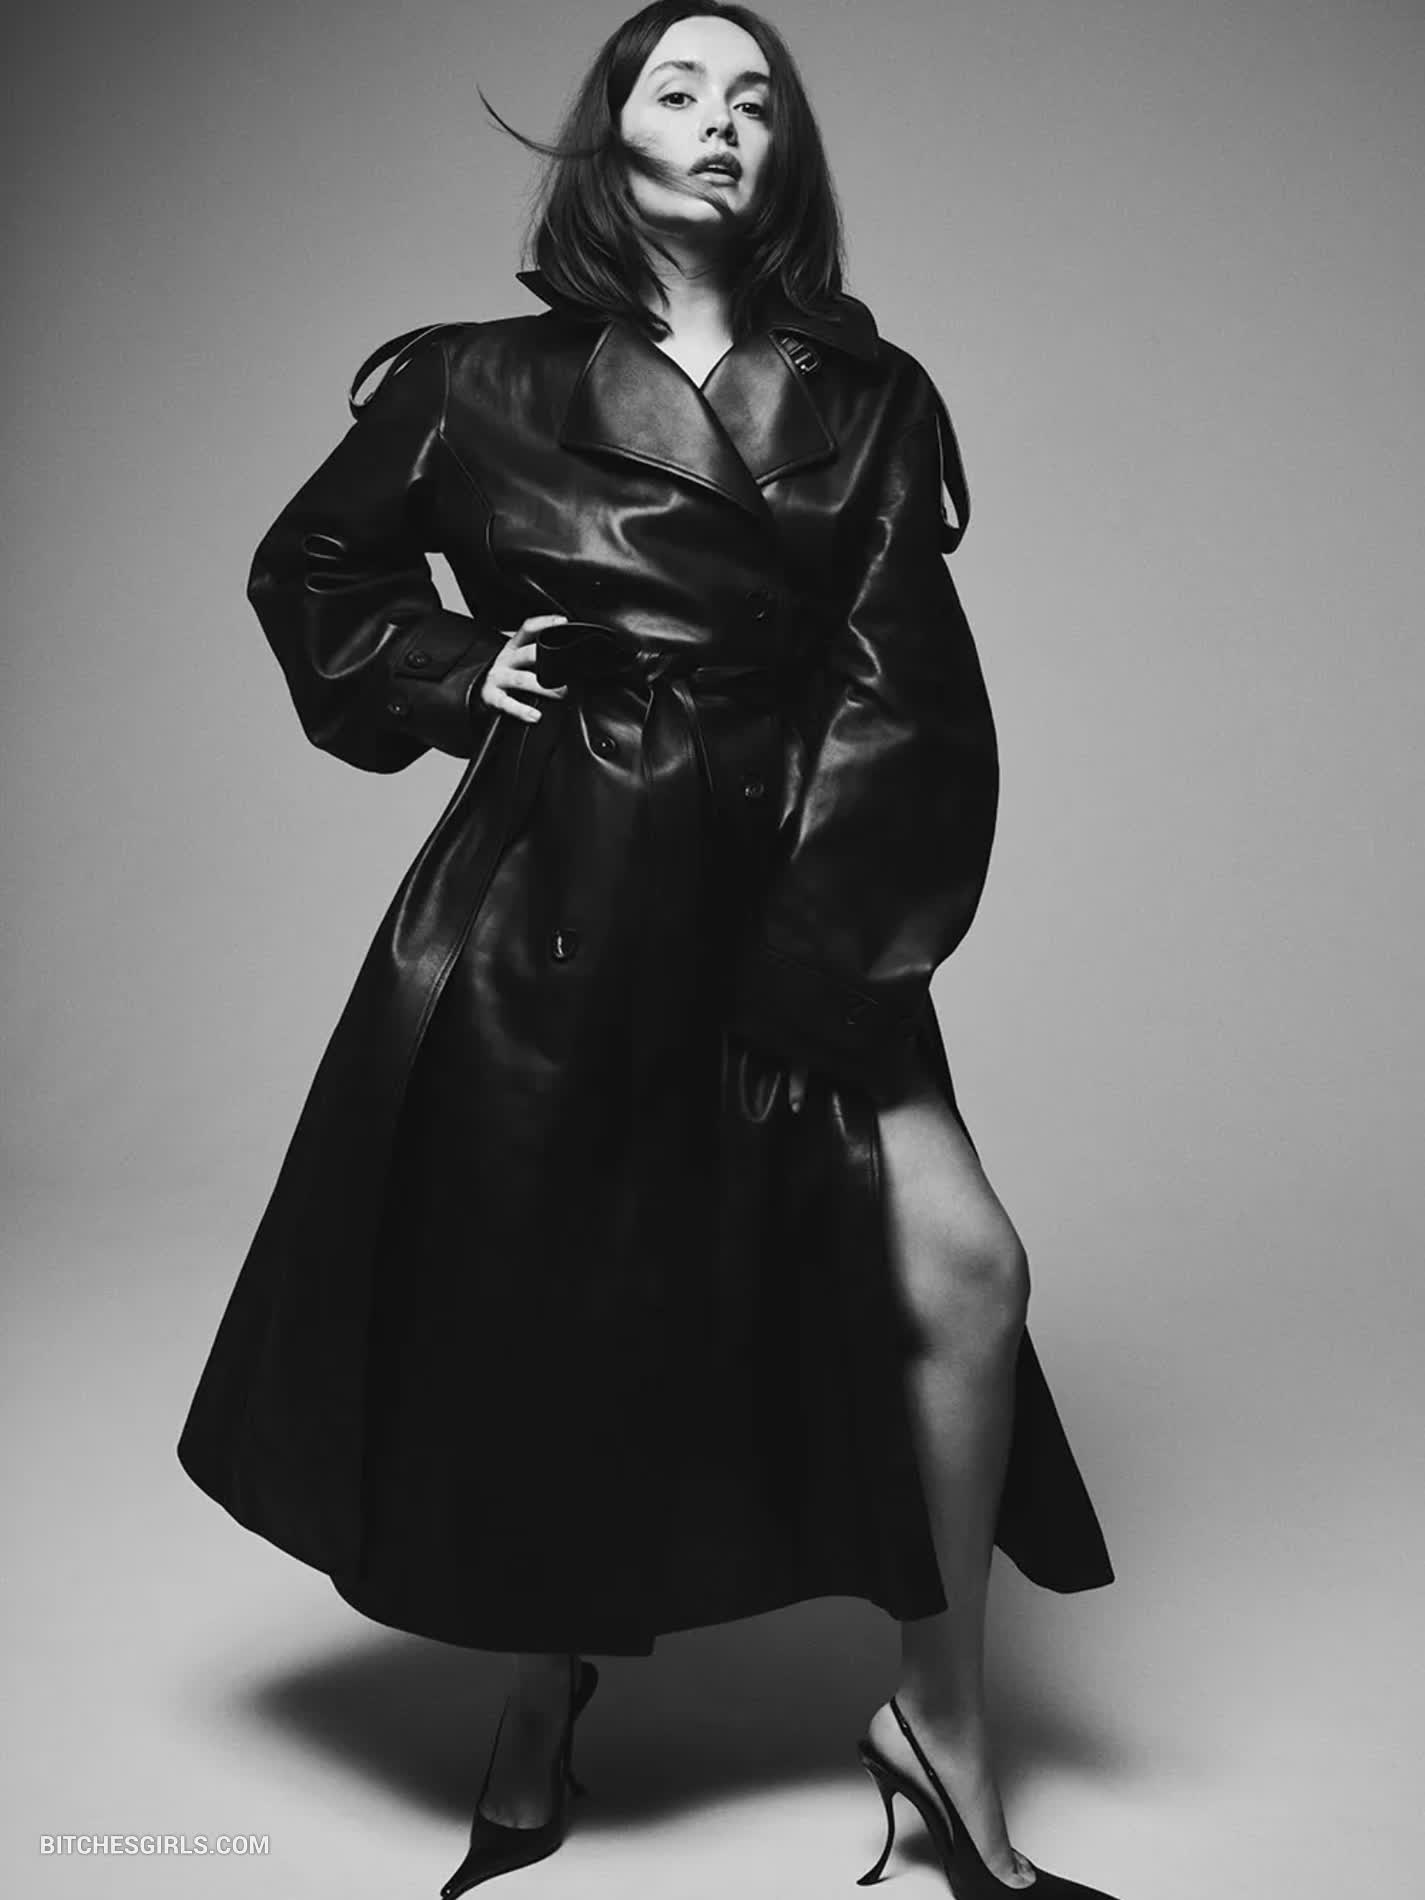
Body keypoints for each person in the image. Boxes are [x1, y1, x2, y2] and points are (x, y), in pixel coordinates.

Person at [176, 5, 1121, 1895]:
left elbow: (907, 692)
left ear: (785, 158)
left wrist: (822, 960)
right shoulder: (476, 379)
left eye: (754, 99)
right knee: (569, 1293)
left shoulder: (864, 394)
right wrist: (455, 670)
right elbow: (314, 567)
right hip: (566, 883)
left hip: (793, 878)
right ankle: (541, 1694)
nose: (721, 121)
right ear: (610, 136)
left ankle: (937, 1731)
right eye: (678, 89)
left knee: (963, 1274)